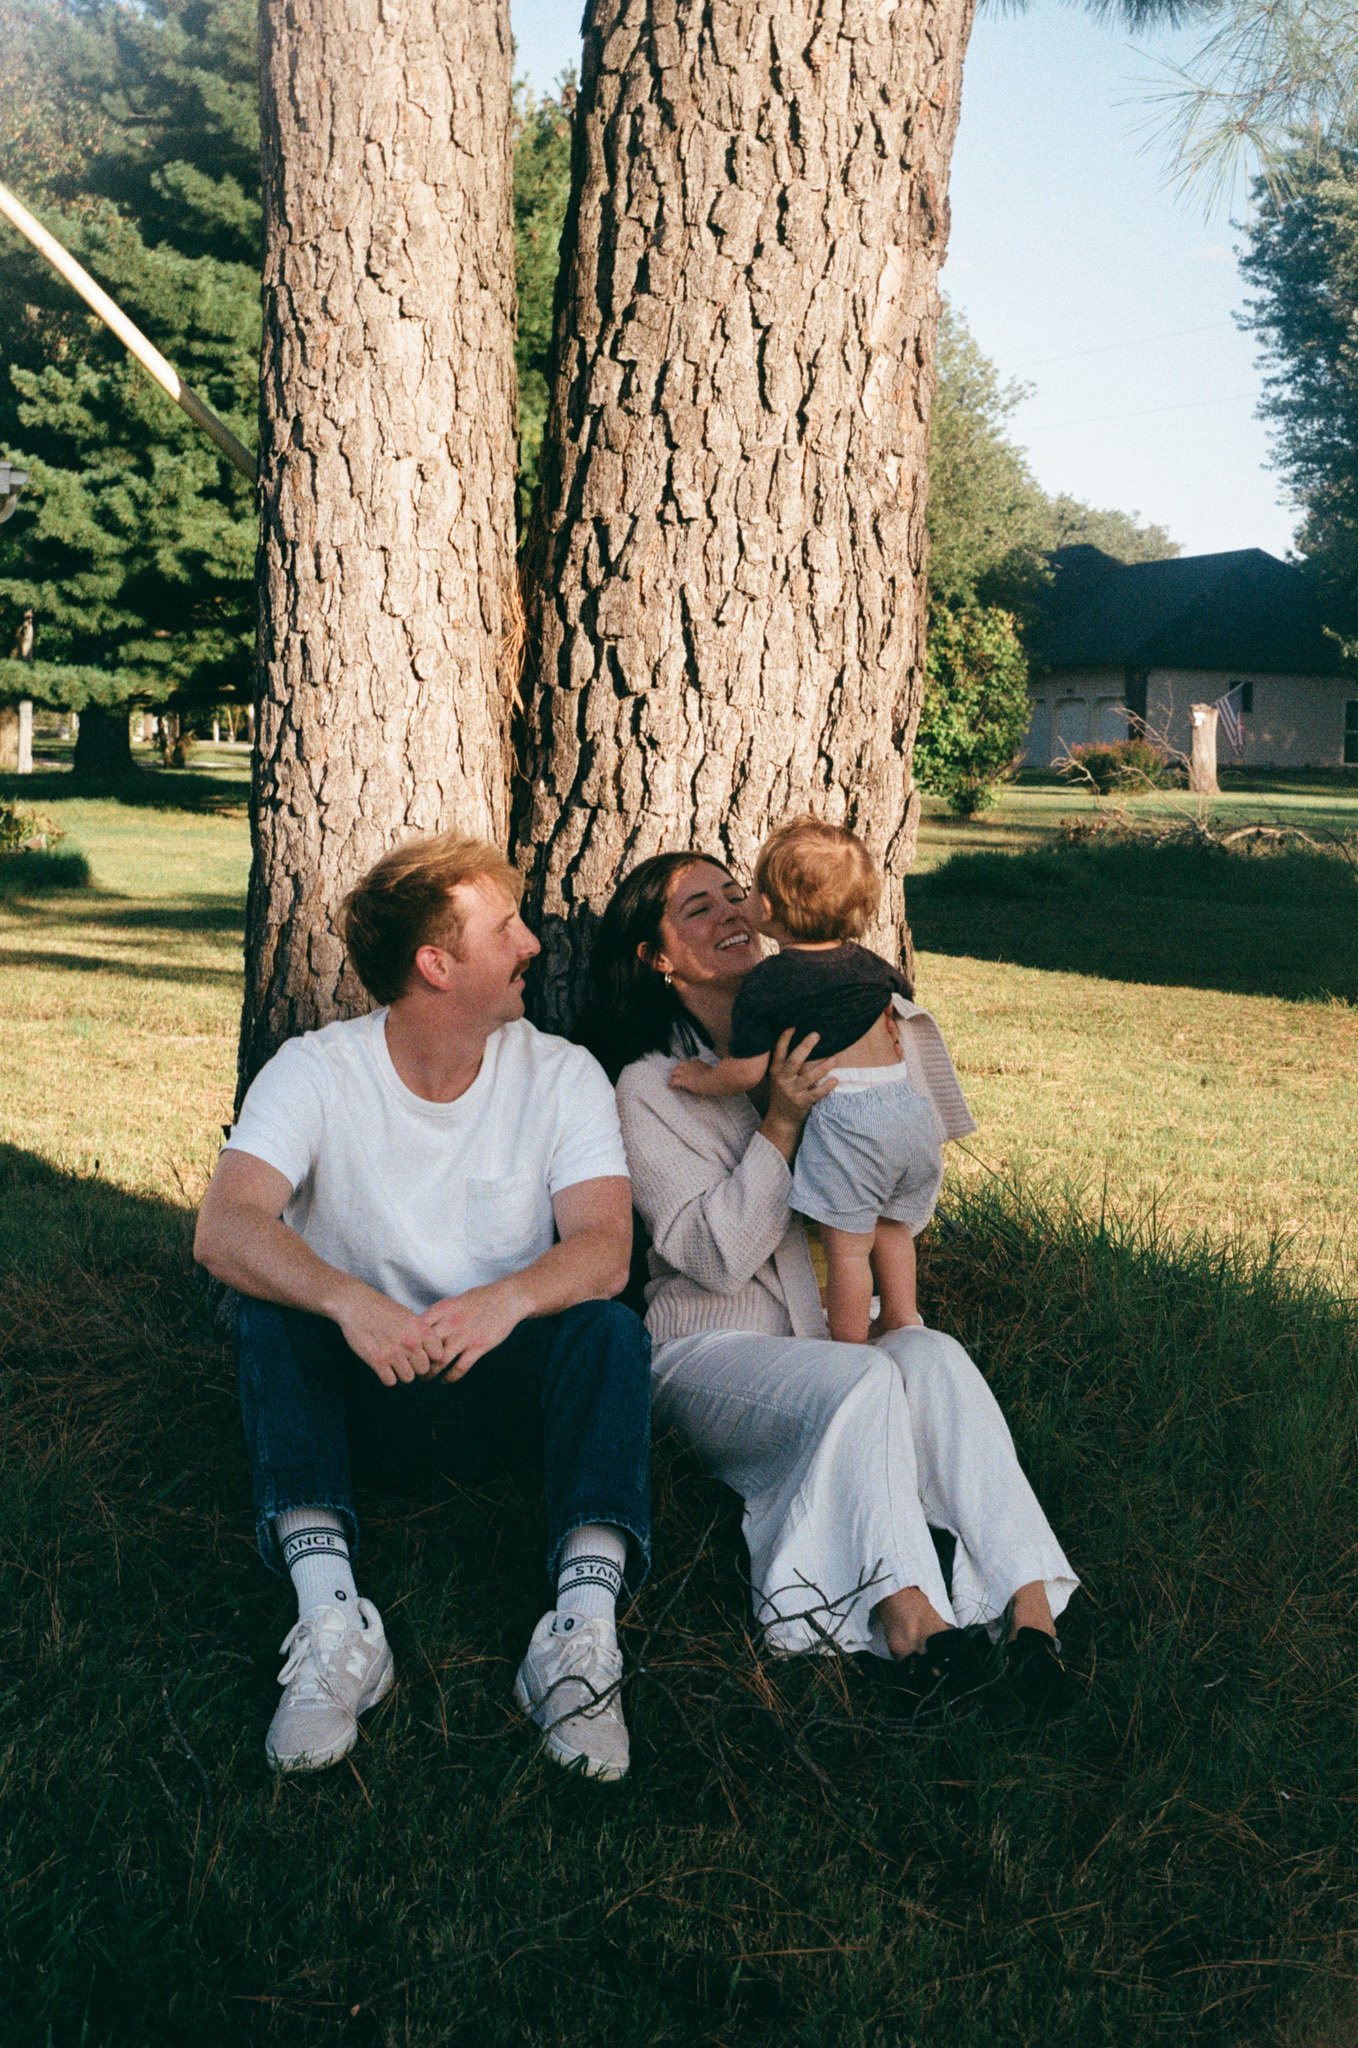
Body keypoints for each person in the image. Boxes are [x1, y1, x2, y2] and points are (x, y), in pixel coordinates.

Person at [194, 833, 652, 1781]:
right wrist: (347, 1301)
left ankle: (579, 1636)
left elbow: (606, 1248)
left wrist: (506, 1303)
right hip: (364, 1396)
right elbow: (226, 1226)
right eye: (507, 928)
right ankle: (332, 1624)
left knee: (607, 1332)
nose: (534, 944)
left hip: (506, 1394)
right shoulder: (318, 1069)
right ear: (436, 964)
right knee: (271, 1317)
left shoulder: (562, 1073)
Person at [584, 850, 1079, 1716]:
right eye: (697, 909)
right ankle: (911, 1624)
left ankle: (1028, 1615)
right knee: (862, 1376)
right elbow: (717, 1254)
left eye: (736, 894)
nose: (731, 912)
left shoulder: (839, 1025)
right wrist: (779, 1122)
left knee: (933, 1357)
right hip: (711, 1349)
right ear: (656, 958)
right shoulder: (650, 1088)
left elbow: (900, 1176)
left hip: (828, 1334)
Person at [669, 815, 976, 1343]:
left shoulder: (769, 982)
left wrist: (701, 1078)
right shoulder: (869, 962)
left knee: (847, 1248)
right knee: (892, 1226)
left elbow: (747, 1072)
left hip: (849, 1118)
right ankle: (903, 1316)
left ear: (765, 908)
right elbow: (898, 999)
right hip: (907, 1107)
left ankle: (850, 1344)